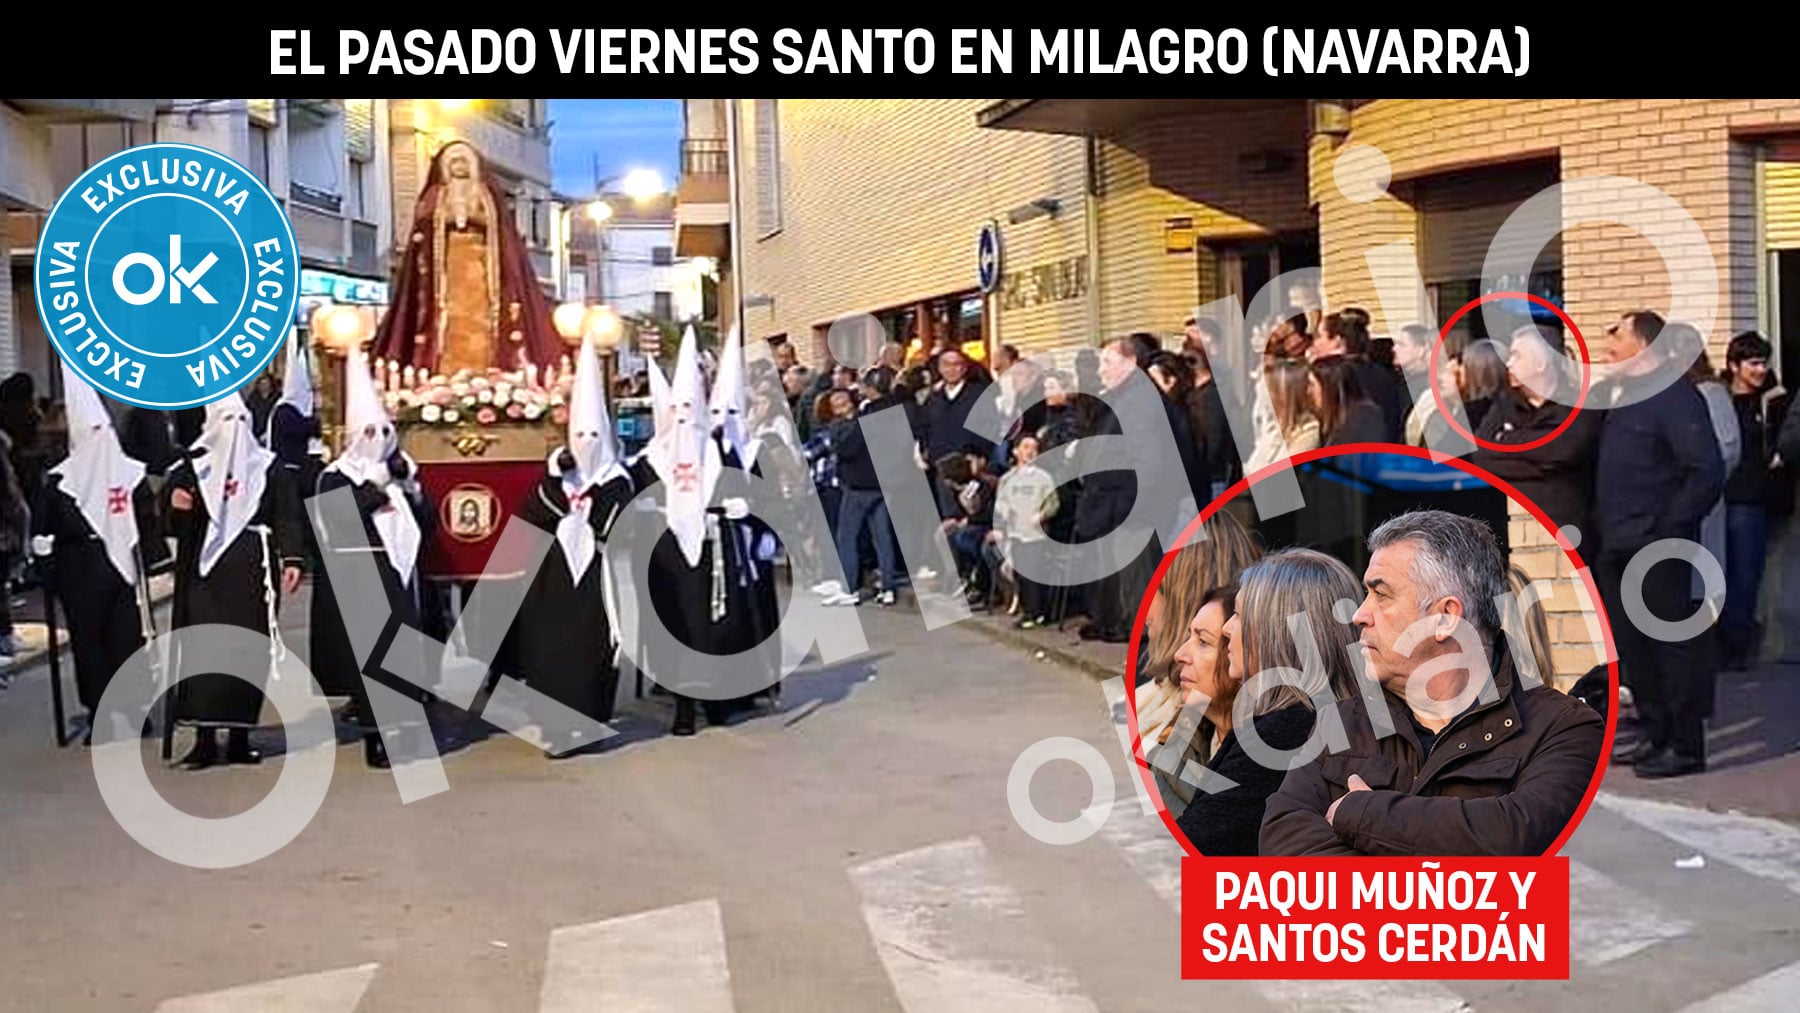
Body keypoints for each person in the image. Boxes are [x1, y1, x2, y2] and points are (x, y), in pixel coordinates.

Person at [1259, 510, 1605, 856]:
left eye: (1381, 595)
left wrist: (1360, 813)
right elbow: (1283, 844)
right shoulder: (1342, 722)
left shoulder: (1563, 729)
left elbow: (1515, 837)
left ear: (1444, 618)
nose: (1359, 615)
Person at [1594, 312, 1726, 779]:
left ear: (1645, 345)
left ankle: (1686, 745)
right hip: (1616, 543)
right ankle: (1655, 733)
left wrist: (1667, 528)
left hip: (1658, 546)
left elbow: (1705, 471)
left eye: (1617, 332)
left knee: (1671, 646)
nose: (1606, 341)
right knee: (1635, 648)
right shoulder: (1623, 397)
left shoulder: (1674, 396)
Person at [1172, 549, 1365, 855]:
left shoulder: (1279, 737)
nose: (1226, 628)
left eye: (1239, 614)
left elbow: (1191, 848)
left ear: (1274, 631)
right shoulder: (1343, 721)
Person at [164, 391, 305, 768]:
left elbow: (288, 516)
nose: (235, 431)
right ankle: (205, 738)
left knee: (246, 649)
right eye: (227, 423)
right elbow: (167, 512)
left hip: (251, 568)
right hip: (205, 573)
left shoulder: (268, 467)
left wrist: (292, 559)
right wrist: (175, 503)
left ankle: (241, 736)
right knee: (205, 648)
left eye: (241, 422)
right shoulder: (192, 467)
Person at [310, 348, 436, 769]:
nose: (377, 442)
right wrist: (374, 490)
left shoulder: (402, 473)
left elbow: (427, 524)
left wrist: (413, 493)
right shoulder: (335, 476)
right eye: (368, 433)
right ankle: (375, 736)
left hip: (402, 576)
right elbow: (334, 523)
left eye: (384, 432)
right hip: (362, 579)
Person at [626, 328, 755, 736]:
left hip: (714, 551)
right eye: (677, 410)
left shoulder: (720, 453)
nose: (684, 419)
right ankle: (683, 707)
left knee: (714, 626)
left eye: (690, 410)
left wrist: (740, 508)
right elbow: (629, 504)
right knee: (675, 626)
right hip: (665, 555)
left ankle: (716, 700)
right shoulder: (648, 461)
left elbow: (746, 493)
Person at [513, 338, 637, 756]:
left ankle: (588, 724)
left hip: (596, 579)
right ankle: (554, 727)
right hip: (553, 577)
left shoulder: (617, 480)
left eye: (593, 434)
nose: (586, 442)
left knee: (591, 651)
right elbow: (531, 517)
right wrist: (554, 481)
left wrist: (593, 492)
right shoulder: (557, 476)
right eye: (578, 434)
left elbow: (616, 526)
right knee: (550, 651)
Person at [31, 364, 153, 743]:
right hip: (77, 569)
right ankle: (100, 710)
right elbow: (43, 530)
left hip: (119, 566)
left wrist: (150, 558)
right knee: (89, 644)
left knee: (126, 639)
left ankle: (135, 709)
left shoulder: (128, 473)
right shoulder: (59, 480)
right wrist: (46, 571)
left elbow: (146, 519)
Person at [369, 140, 565, 375]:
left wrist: (472, 216)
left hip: (480, 263)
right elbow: (424, 227)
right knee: (448, 319)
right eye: (453, 162)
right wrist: (447, 219)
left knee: (481, 319)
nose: (458, 167)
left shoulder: (484, 193)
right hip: (447, 268)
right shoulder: (436, 194)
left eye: (463, 162)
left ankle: (487, 369)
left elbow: (499, 227)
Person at [1472, 325, 1604, 538]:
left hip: (1565, 529)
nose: (1509, 363)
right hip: (1512, 529)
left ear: (1541, 364)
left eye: (1517, 356)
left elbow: (1563, 451)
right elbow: (1482, 455)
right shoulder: (1503, 405)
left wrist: (1507, 442)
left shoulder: (1580, 406)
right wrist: (1540, 465)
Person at [1727, 332, 1791, 669]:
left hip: (1753, 499)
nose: (1760, 369)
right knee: (1722, 575)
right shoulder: (1720, 399)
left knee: (1746, 575)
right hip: (1720, 498)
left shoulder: (1773, 401)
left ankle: (1739, 646)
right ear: (1734, 365)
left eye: (1764, 362)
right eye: (1753, 363)